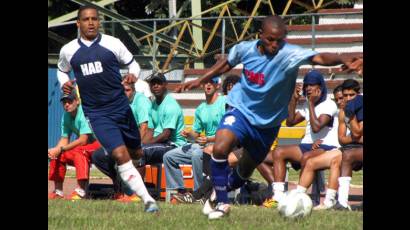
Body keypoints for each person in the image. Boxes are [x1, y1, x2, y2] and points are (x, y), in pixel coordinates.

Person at [175, 15, 362, 219]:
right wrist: (200, 79)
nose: (275, 44)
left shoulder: (290, 54)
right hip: (241, 111)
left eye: (279, 40)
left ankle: (218, 193)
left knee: (243, 172)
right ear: (260, 35)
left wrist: (343, 58)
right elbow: (226, 64)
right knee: (220, 147)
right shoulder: (245, 49)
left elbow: (319, 58)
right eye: (270, 39)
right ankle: (222, 203)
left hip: (267, 125)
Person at [59, 5, 158, 212]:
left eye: (94, 19)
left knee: (136, 152)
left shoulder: (113, 43)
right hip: (97, 113)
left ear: (99, 21)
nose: (91, 23)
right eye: (86, 19)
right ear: (78, 23)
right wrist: (64, 83)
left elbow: (133, 64)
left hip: (121, 108)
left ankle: (137, 186)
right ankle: (148, 200)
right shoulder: (68, 50)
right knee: (120, 154)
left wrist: (133, 75)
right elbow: (62, 70)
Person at [271, 70, 340, 206]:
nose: (308, 88)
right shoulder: (307, 104)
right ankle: (278, 196)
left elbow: (316, 127)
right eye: (306, 85)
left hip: (326, 146)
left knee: (307, 157)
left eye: (312, 85)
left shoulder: (329, 104)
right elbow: (290, 122)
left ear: (320, 87)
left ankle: (299, 197)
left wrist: (311, 104)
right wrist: (294, 100)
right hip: (308, 144)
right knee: (278, 152)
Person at [164, 75, 225, 203]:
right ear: (202, 86)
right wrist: (189, 133)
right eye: (206, 83)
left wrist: (209, 139)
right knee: (169, 156)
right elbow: (196, 135)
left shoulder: (223, 102)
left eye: (212, 82)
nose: (208, 85)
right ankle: (179, 192)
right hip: (204, 145)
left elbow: (228, 131)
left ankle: (199, 194)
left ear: (217, 86)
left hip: (221, 145)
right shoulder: (200, 108)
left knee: (197, 154)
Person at [91, 78, 153, 202]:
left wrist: (134, 145)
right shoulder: (118, 102)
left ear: (133, 90)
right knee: (99, 155)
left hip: (147, 139)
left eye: (127, 90)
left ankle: (135, 193)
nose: (124, 93)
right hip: (126, 140)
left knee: (136, 153)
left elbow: (144, 127)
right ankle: (119, 188)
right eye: (121, 90)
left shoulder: (141, 101)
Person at [291, 84, 345, 210]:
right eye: (337, 99)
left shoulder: (352, 112)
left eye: (343, 98)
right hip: (337, 149)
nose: (340, 101)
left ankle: (330, 201)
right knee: (309, 162)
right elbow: (333, 135)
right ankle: (298, 199)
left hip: (347, 151)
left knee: (335, 160)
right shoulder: (339, 114)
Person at [48, 91, 101, 200]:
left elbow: (83, 140)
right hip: (87, 146)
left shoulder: (84, 112)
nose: (66, 104)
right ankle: (58, 192)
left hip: (101, 144)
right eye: (64, 102)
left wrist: (61, 148)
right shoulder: (66, 116)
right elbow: (64, 139)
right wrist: (56, 150)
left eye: (70, 101)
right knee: (58, 155)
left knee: (80, 151)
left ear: (77, 101)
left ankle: (81, 191)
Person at [334, 79, 363, 211]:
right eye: (345, 95)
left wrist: (350, 112)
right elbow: (341, 139)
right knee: (339, 157)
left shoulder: (357, 108)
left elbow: (356, 133)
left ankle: (342, 202)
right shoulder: (342, 112)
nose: (348, 98)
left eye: (352, 95)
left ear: (358, 94)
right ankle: (335, 200)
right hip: (355, 147)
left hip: (354, 150)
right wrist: (355, 139)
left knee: (348, 155)